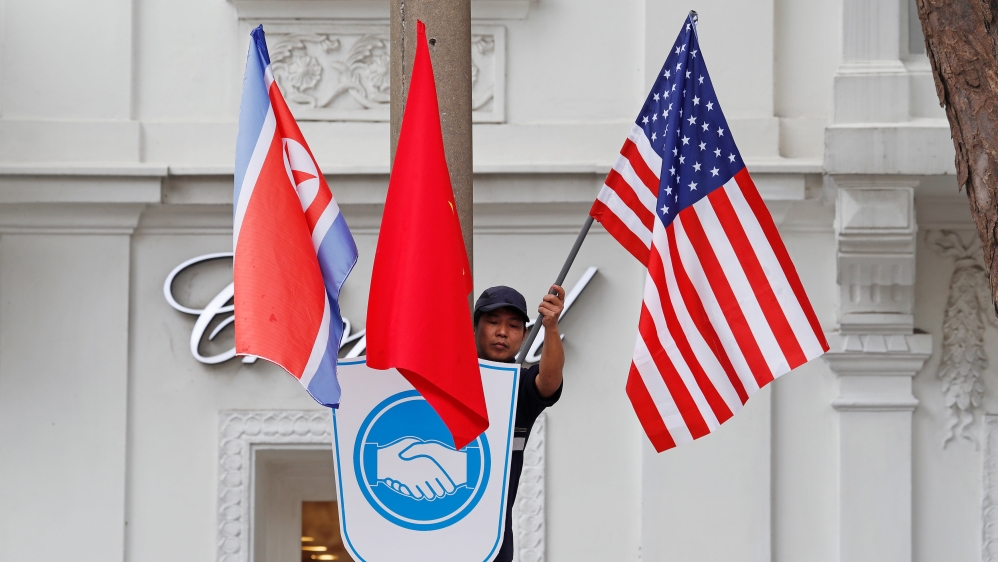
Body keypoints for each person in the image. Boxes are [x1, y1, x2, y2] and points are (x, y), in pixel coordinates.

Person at [473, 284, 565, 561]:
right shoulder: (447, 380)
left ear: (525, 336)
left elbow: (549, 380)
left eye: (513, 326)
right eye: (492, 322)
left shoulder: (521, 385)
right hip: (435, 532)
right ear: (473, 327)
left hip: (494, 545)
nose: (502, 332)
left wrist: (550, 328)